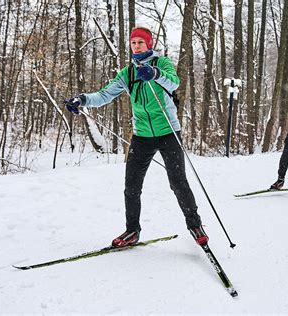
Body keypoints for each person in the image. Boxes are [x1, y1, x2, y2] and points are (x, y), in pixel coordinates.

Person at [64, 26, 208, 248]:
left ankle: (195, 225)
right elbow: (104, 94)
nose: (137, 46)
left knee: (178, 182)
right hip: (141, 136)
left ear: (149, 44)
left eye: (141, 42)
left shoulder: (162, 63)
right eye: (133, 43)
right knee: (131, 186)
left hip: (168, 131)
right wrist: (82, 99)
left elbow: (174, 82)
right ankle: (132, 231)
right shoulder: (127, 73)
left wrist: (154, 74)